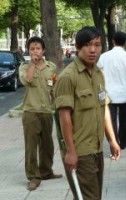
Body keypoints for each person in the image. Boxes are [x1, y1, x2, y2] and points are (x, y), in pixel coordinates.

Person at [54, 26, 121, 200]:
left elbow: (103, 107)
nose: (93, 49)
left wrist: (112, 140)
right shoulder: (68, 77)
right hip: (80, 151)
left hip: (97, 148)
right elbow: (64, 116)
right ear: (77, 47)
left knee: (91, 196)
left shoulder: (99, 73)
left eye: (97, 45)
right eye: (88, 45)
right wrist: (70, 151)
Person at [19, 36, 62, 191]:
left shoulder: (51, 67)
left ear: (43, 50)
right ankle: (33, 176)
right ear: (29, 51)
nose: (35, 51)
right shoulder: (24, 67)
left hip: (46, 111)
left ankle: (45, 171)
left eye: (38, 48)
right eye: (32, 49)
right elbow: (28, 81)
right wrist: (33, 64)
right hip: (31, 111)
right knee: (31, 146)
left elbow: (54, 88)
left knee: (47, 145)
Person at [97, 31, 126, 149]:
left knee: (111, 121)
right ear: (125, 42)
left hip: (108, 96)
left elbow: (98, 76)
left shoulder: (104, 57)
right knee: (125, 120)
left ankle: (113, 144)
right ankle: (123, 141)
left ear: (113, 41)